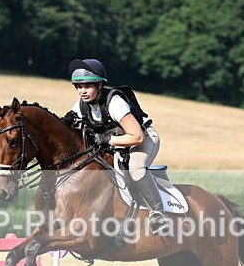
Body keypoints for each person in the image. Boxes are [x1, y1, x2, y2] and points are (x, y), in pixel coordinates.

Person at [66, 58, 171, 235]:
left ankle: (158, 213)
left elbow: (136, 136)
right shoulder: (81, 105)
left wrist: (107, 140)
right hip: (118, 142)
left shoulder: (114, 102)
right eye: (79, 87)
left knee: (135, 168)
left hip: (144, 138)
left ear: (99, 85)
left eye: (87, 86)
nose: (82, 91)